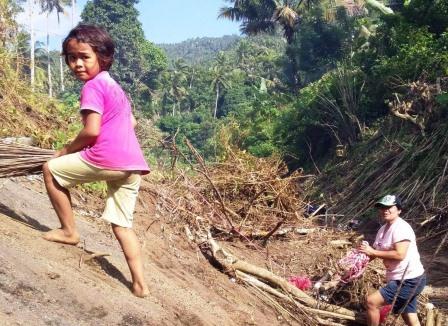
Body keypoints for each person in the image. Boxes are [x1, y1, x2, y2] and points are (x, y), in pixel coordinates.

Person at [42, 24, 150, 298]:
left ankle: (69, 231)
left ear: (103, 57)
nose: (77, 63)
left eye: (83, 57)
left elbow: (91, 130)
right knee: (122, 224)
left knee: (50, 169)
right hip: (132, 165)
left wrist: (66, 150)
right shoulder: (114, 86)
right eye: (71, 57)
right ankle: (139, 284)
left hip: (107, 158)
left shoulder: (92, 86)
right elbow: (132, 122)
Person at [359, 195, 426, 326]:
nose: (385, 210)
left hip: (409, 279)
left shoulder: (401, 228)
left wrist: (372, 252)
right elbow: (374, 252)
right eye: (383, 207)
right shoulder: (382, 230)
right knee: (409, 317)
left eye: (389, 207)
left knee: (371, 302)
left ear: (399, 210)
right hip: (400, 278)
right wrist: (360, 258)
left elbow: (400, 254)